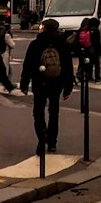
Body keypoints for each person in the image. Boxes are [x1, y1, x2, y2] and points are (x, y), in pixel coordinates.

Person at [20, 17, 73, 152]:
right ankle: (52, 142)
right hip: (56, 81)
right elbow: (68, 66)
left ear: (44, 28)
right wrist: (68, 87)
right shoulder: (63, 44)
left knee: (38, 110)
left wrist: (24, 83)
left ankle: (42, 134)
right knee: (54, 112)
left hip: (39, 80)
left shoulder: (36, 43)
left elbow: (27, 65)